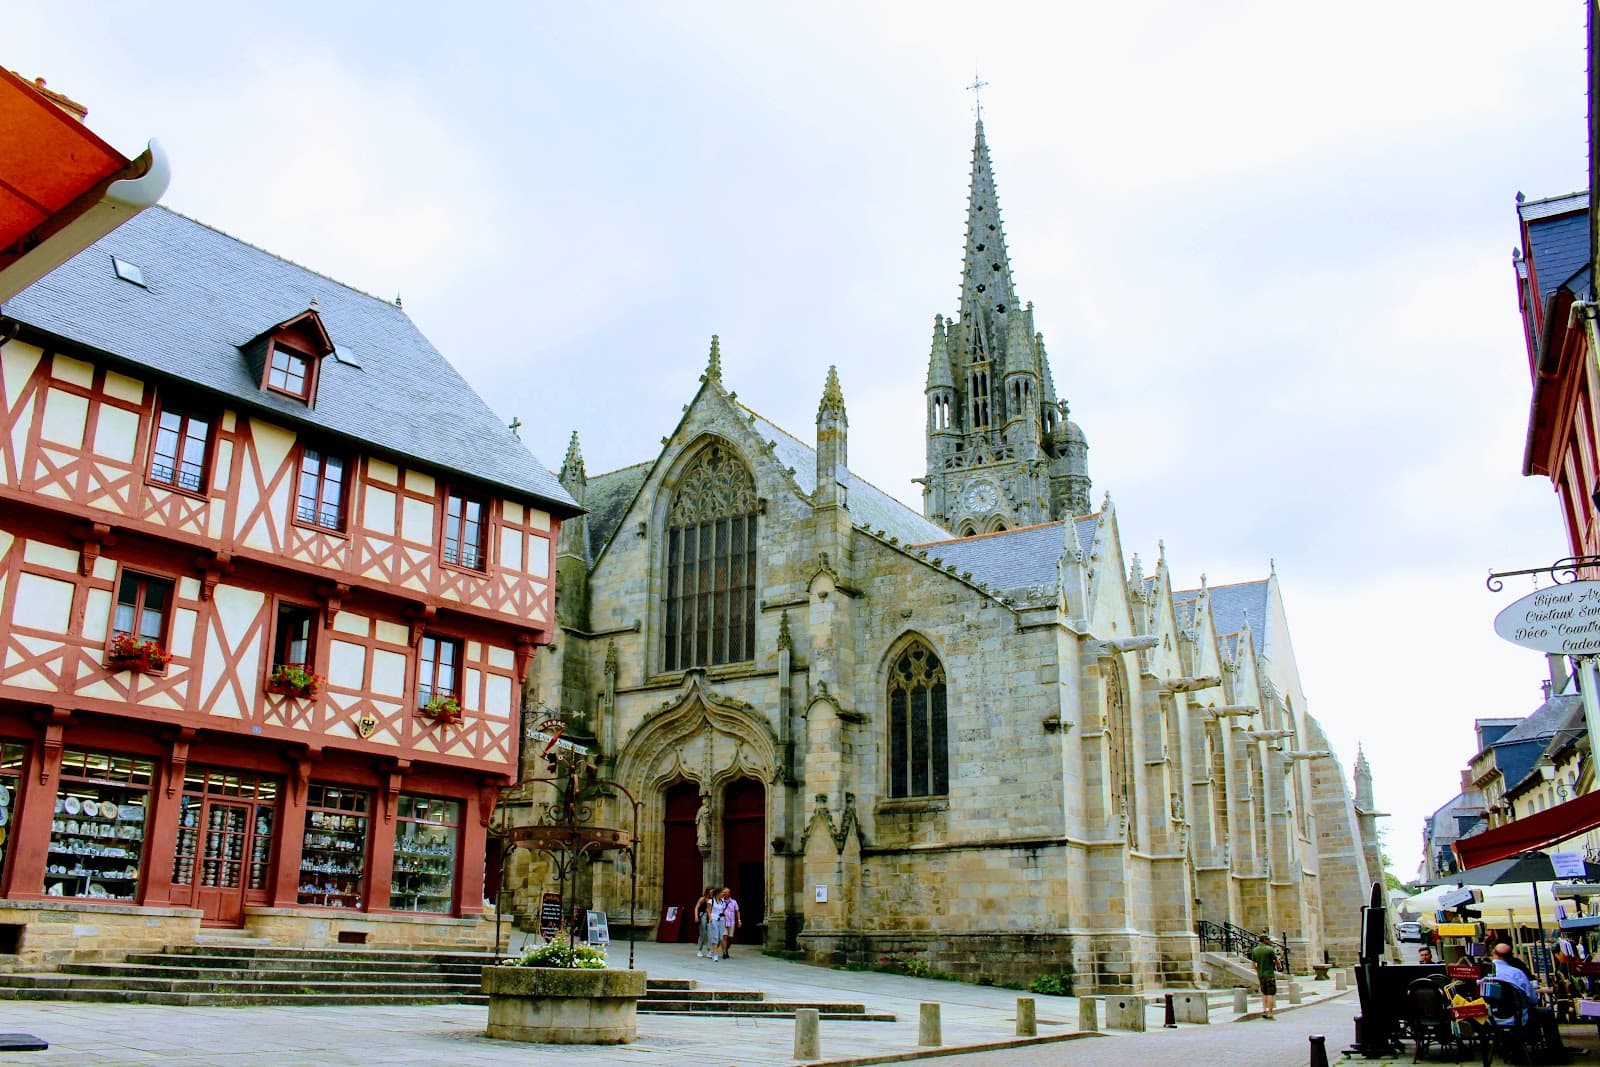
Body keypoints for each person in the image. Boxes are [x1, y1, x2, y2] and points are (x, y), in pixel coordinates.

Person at [1488, 942, 1566, 1056]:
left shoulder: (1485, 973)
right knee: (1547, 1013)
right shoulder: (1517, 973)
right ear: (1510, 956)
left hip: (1492, 1019)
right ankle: (1555, 1052)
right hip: (1519, 1019)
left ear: (1493, 954)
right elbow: (1533, 1000)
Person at [1249, 933, 1279, 1020]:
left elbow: (1253, 965)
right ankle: (1270, 1013)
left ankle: (1264, 1010)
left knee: (1264, 993)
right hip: (1269, 974)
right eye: (1268, 940)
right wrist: (1277, 966)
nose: (1269, 941)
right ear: (1265, 940)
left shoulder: (1255, 950)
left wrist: (1258, 971)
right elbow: (1277, 961)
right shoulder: (1269, 949)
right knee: (1270, 994)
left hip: (1261, 975)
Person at [718, 885, 741, 960]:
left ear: (729, 893)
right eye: (724, 892)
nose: (725, 893)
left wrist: (739, 921)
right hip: (723, 922)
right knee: (724, 937)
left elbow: (737, 911)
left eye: (726, 892)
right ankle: (724, 953)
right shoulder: (720, 901)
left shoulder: (734, 902)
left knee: (730, 938)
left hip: (731, 922)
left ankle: (726, 949)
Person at [693, 887, 714, 958]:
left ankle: (709, 951)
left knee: (710, 934)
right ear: (708, 892)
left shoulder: (713, 900)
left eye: (713, 892)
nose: (712, 893)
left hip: (710, 916)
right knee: (702, 934)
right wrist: (696, 916)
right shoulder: (703, 899)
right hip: (703, 916)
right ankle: (699, 950)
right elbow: (696, 907)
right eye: (711, 892)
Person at [705, 890, 726, 961]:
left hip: (721, 920)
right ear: (718, 893)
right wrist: (710, 917)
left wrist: (723, 915)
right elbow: (708, 910)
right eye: (722, 892)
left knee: (720, 938)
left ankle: (712, 951)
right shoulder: (711, 901)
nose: (723, 894)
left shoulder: (723, 901)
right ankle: (715, 954)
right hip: (714, 920)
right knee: (715, 937)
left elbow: (722, 910)